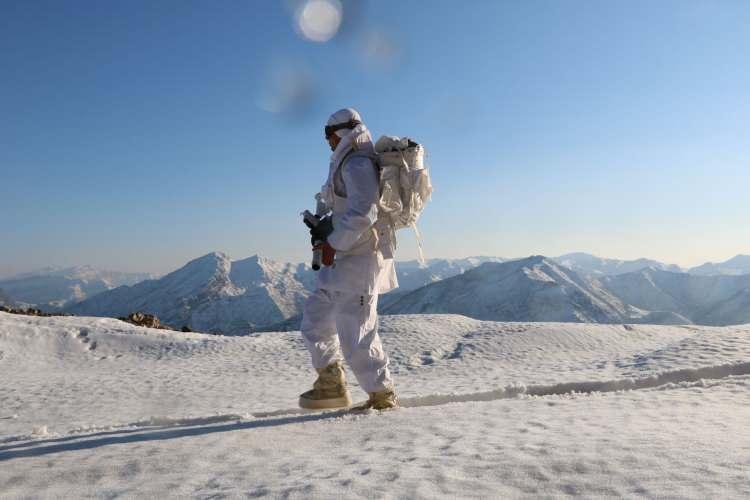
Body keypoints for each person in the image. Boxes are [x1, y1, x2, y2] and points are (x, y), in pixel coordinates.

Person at [299, 107, 399, 411]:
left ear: (341, 132)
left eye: (329, 135)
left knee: (357, 334)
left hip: (358, 262)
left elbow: (364, 211)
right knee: (315, 322)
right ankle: (331, 383)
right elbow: (345, 207)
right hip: (340, 261)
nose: (327, 141)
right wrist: (325, 228)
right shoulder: (347, 162)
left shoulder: (356, 163)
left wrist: (333, 242)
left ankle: (382, 397)